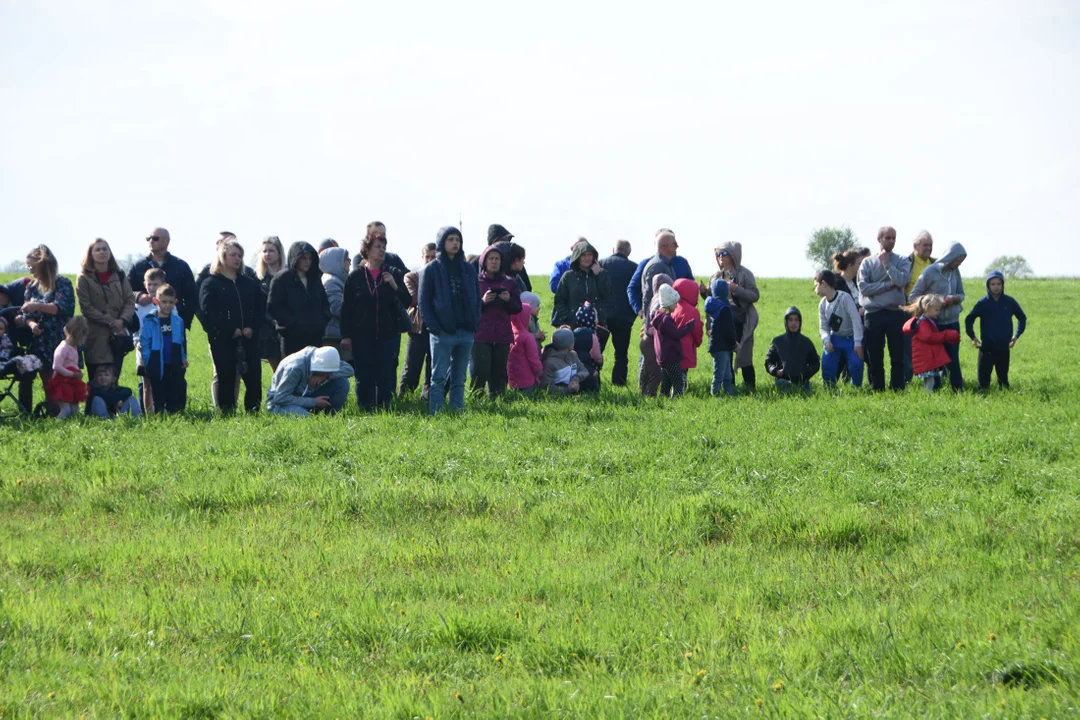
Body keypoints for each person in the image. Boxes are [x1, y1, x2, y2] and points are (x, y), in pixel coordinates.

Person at [341, 233, 411, 411]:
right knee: (364, 375)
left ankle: (384, 409)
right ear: (367, 250)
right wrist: (346, 336)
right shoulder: (355, 276)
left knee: (385, 375)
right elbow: (346, 308)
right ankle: (365, 409)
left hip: (387, 335)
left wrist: (394, 285)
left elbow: (408, 301)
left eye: (383, 247)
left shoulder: (392, 273)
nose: (381, 250)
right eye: (377, 246)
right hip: (361, 336)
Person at [419, 226, 481, 414]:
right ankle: (436, 415)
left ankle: (457, 413)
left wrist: (474, 323)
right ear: (441, 243)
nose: (455, 243)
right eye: (450, 239)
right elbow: (424, 303)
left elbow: (477, 299)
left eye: (458, 239)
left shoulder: (469, 269)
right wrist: (436, 328)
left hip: (466, 331)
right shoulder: (431, 269)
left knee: (459, 378)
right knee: (438, 378)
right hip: (443, 333)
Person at [198, 239, 264, 413]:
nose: (237, 259)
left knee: (254, 378)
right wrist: (230, 329)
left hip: (248, 338)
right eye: (233, 255)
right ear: (222, 257)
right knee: (226, 377)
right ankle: (226, 413)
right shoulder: (211, 283)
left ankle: (253, 411)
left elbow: (260, 309)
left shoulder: (249, 283)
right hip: (223, 339)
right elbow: (208, 312)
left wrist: (252, 328)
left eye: (240, 256)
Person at [14, 245, 76, 414]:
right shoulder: (32, 287)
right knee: (47, 380)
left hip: (59, 338)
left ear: (44, 264)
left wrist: (37, 306)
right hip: (40, 340)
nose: (30, 270)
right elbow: (26, 313)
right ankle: (52, 412)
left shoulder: (62, 283)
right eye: (28, 266)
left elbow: (62, 308)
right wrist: (32, 325)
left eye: (32, 266)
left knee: (61, 378)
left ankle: (65, 411)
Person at [858, 226, 911, 391]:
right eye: (887, 238)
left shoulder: (902, 260)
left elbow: (902, 281)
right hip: (874, 314)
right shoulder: (867, 263)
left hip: (896, 313)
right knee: (874, 355)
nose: (891, 241)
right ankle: (877, 388)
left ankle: (897, 387)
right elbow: (864, 288)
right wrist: (888, 285)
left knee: (897, 354)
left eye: (893, 238)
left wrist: (887, 265)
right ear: (879, 239)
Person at [908, 242, 967, 390]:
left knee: (953, 358)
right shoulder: (930, 272)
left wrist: (953, 299)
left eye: (961, 261)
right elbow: (913, 296)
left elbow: (961, 294)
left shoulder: (955, 272)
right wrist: (933, 303)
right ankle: (934, 389)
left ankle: (957, 389)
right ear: (949, 257)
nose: (959, 264)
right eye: (957, 260)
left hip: (952, 321)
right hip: (934, 325)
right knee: (934, 359)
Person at [76, 238, 136, 378]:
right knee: (97, 381)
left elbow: (129, 299)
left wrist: (122, 320)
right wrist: (109, 320)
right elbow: (86, 307)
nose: (102, 252)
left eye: (105, 249)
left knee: (113, 379)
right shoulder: (83, 277)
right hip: (96, 336)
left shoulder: (119, 275)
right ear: (90, 254)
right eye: (97, 249)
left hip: (118, 335)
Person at [472, 244, 522, 397]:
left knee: (499, 371)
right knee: (481, 370)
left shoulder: (510, 282)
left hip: (502, 334)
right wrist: (483, 301)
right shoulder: (476, 282)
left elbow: (517, 308)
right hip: (481, 334)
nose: (494, 262)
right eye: (491, 258)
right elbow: (469, 308)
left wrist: (508, 300)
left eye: (497, 259)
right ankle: (476, 399)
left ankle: (498, 399)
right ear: (484, 261)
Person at [709, 241, 760, 390]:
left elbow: (755, 295)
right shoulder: (715, 276)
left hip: (741, 320)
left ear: (733, 255)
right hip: (722, 322)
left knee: (745, 356)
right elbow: (710, 301)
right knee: (725, 356)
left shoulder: (745, 274)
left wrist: (737, 289)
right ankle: (728, 389)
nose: (720, 257)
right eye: (718, 254)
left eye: (724, 253)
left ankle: (750, 389)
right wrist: (704, 293)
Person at [965, 271, 1027, 390]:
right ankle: (982, 401)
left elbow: (1022, 318)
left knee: (1003, 380)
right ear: (988, 285)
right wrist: (972, 337)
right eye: (993, 284)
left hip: (1004, 347)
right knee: (983, 382)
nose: (996, 286)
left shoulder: (1009, 302)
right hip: (986, 347)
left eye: (998, 283)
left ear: (1003, 285)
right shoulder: (983, 303)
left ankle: (1006, 400)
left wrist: (1016, 336)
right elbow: (969, 319)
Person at [269, 241, 330, 357]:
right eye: (303, 258)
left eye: (310, 258)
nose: (307, 262)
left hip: (315, 337)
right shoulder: (282, 279)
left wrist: (321, 321)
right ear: (295, 257)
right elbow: (274, 306)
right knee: (294, 371)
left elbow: (325, 303)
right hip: (291, 338)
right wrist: (293, 324)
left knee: (314, 372)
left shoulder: (315, 279)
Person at [131, 227, 198, 332]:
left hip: (174, 324)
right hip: (146, 327)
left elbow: (192, 297)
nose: (151, 241)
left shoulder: (181, 266)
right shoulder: (138, 266)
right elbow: (125, 292)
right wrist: (138, 296)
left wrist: (183, 322)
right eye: (148, 238)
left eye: (155, 238)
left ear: (166, 241)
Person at [138, 284, 188, 414]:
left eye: (171, 302)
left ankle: (172, 413)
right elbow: (145, 342)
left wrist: (183, 357)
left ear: (175, 302)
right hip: (157, 361)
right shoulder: (150, 320)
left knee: (173, 389)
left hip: (173, 361)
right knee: (157, 391)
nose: (167, 305)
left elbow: (181, 341)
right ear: (156, 301)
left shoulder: (178, 321)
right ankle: (159, 415)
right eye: (164, 302)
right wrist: (148, 359)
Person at [265, 346, 354, 415]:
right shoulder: (295, 367)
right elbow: (280, 398)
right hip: (281, 404)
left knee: (342, 383)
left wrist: (326, 376)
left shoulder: (325, 357)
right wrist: (314, 402)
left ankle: (331, 416)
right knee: (305, 417)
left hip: (307, 396)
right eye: (322, 373)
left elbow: (349, 369)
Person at [398, 243, 437, 400]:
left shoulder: (441, 278)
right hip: (417, 327)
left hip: (436, 327)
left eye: (433, 257)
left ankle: (427, 397)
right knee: (412, 367)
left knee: (432, 367)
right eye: (427, 256)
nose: (429, 260)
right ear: (422, 258)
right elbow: (413, 299)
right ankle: (404, 397)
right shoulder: (412, 276)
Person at [814, 270, 865, 388]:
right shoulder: (822, 304)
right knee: (827, 362)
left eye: (816, 285)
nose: (815, 289)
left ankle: (855, 389)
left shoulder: (844, 298)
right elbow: (823, 326)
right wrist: (826, 340)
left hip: (851, 338)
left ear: (823, 283)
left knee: (856, 364)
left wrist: (858, 343)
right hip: (835, 338)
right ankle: (829, 388)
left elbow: (856, 320)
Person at [598, 240, 637, 386]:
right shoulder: (635, 267)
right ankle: (619, 382)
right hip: (624, 317)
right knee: (621, 353)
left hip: (603, 315)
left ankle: (594, 379)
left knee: (597, 350)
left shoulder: (601, 263)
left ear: (613, 249)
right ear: (628, 252)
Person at [902, 295, 960, 391]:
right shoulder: (923, 322)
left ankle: (928, 396)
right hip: (926, 357)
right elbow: (929, 337)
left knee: (930, 380)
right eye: (936, 310)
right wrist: (947, 335)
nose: (939, 312)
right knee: (930, 381)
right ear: (927, 309)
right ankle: (927, 397)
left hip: (927, 356)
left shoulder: (927, 321)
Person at [629, 230, 694, 317]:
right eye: (674, 244)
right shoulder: (656, 266)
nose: (677, 246)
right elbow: (648, 295)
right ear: (666, 246)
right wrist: (645, 316)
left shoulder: (669, 263)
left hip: (668, 316)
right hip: (660, 318)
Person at [551, 239, 610, 332]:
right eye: (583, 255)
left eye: (590, 255)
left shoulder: (602, 274)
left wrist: (599, 275)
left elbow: (606, 295)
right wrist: (569, 317)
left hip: (596, 324)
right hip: (573, 325)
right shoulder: (568, 276)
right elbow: (559, 300)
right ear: (577, 256)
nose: (587, 258)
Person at [652, 285, 696, 398]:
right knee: (678, 382)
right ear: (669, 303)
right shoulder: (666, 320)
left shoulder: (658, 317)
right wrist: (689, 326)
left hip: (663, 358)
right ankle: (677, 403)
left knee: (666, 384)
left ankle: (663, 402)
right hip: (671, 357)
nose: (676, 305)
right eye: (675, 303)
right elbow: (676, 334)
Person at [764, 307, 820, 392]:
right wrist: (776, 371)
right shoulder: (778, 341)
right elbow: (768, 362)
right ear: (786, 322)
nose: (793, 323)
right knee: (782, 385)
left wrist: (806, 373)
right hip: (783, 380)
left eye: (796, 320)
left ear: (800, 322)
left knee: (805, 389)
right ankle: (797, 390)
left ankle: (800, 389)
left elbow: (816, 363)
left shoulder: (806, 342)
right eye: (790, 320)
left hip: (802, 381)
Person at [45, 316, 89, 419]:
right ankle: (56, 425)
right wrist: (72, 374)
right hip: (63, 382)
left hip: (72, 382)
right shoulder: (63, 348)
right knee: (66, 410)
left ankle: (72, 428)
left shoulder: (73, 347)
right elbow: (56, 366)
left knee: (75, 410)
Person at [639, 273, 673, 397]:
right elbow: (656, 317)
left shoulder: (654, 298)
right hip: (652, 341)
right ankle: (650, 395)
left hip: (646, 340)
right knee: (656, 371)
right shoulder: (660, 300)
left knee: (648, 368)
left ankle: (642, 391)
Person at [254, 236, 285, 372]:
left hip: (286, 328)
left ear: (279, 253)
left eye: (271, 250)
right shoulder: (258, 278)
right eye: (264, 251)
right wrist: (271, 320)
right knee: (277, 371)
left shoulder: (288, 275)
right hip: (267, 330)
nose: (267, 254)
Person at [704, 278, 738, 396]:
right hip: (723, 346)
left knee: (726, 373)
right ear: (725, 292)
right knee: (720, 374)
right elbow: (729, 329)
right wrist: (734, 344)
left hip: (716, 345)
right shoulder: (725, 309)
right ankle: (716, 395)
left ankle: (728, 394)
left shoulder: (714, 306)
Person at [319, 246, 351, 362]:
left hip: (337, 333)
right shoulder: (331, 281)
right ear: (336, 261)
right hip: (333, 336)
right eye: (346, 259)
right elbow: (337, 307)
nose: (349, 262)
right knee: (335, 372)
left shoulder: (337, 279)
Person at [671, 278, 704, 386]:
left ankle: (669, 395)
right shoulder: (692, 311)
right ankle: (679, 396)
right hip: (685, 348)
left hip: (670, 349)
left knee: (671, 374)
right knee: (682, 375)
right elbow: (696, 329)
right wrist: (698, 341)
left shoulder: (673, 307)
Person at [540, 327, 588, 395]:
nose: (574, 341)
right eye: (572, 340)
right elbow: (546, 387)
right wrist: (568, 390)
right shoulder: (549, 363)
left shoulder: (573, 355)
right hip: (558, 398)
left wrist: (576, 379)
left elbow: (584, 370)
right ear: (567, 343)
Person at [508, 302, 543, 393]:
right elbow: (533, 358)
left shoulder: (511, 335)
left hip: (513, 381)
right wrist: (540, 371)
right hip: (527, 381)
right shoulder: (528, 337)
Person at [486, 225, 532, 292]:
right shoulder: (477, 263)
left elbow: (527, 288)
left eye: (507, 242)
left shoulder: (516, 264)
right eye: (502, 242)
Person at [572, 304, 603, 393]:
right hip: (590, 365)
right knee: (594, 378)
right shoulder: (593, 335)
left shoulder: (574, 332)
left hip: (576, 363)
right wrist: (600, 360)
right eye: (596, 316)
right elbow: (596, 354)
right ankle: (595, 391)